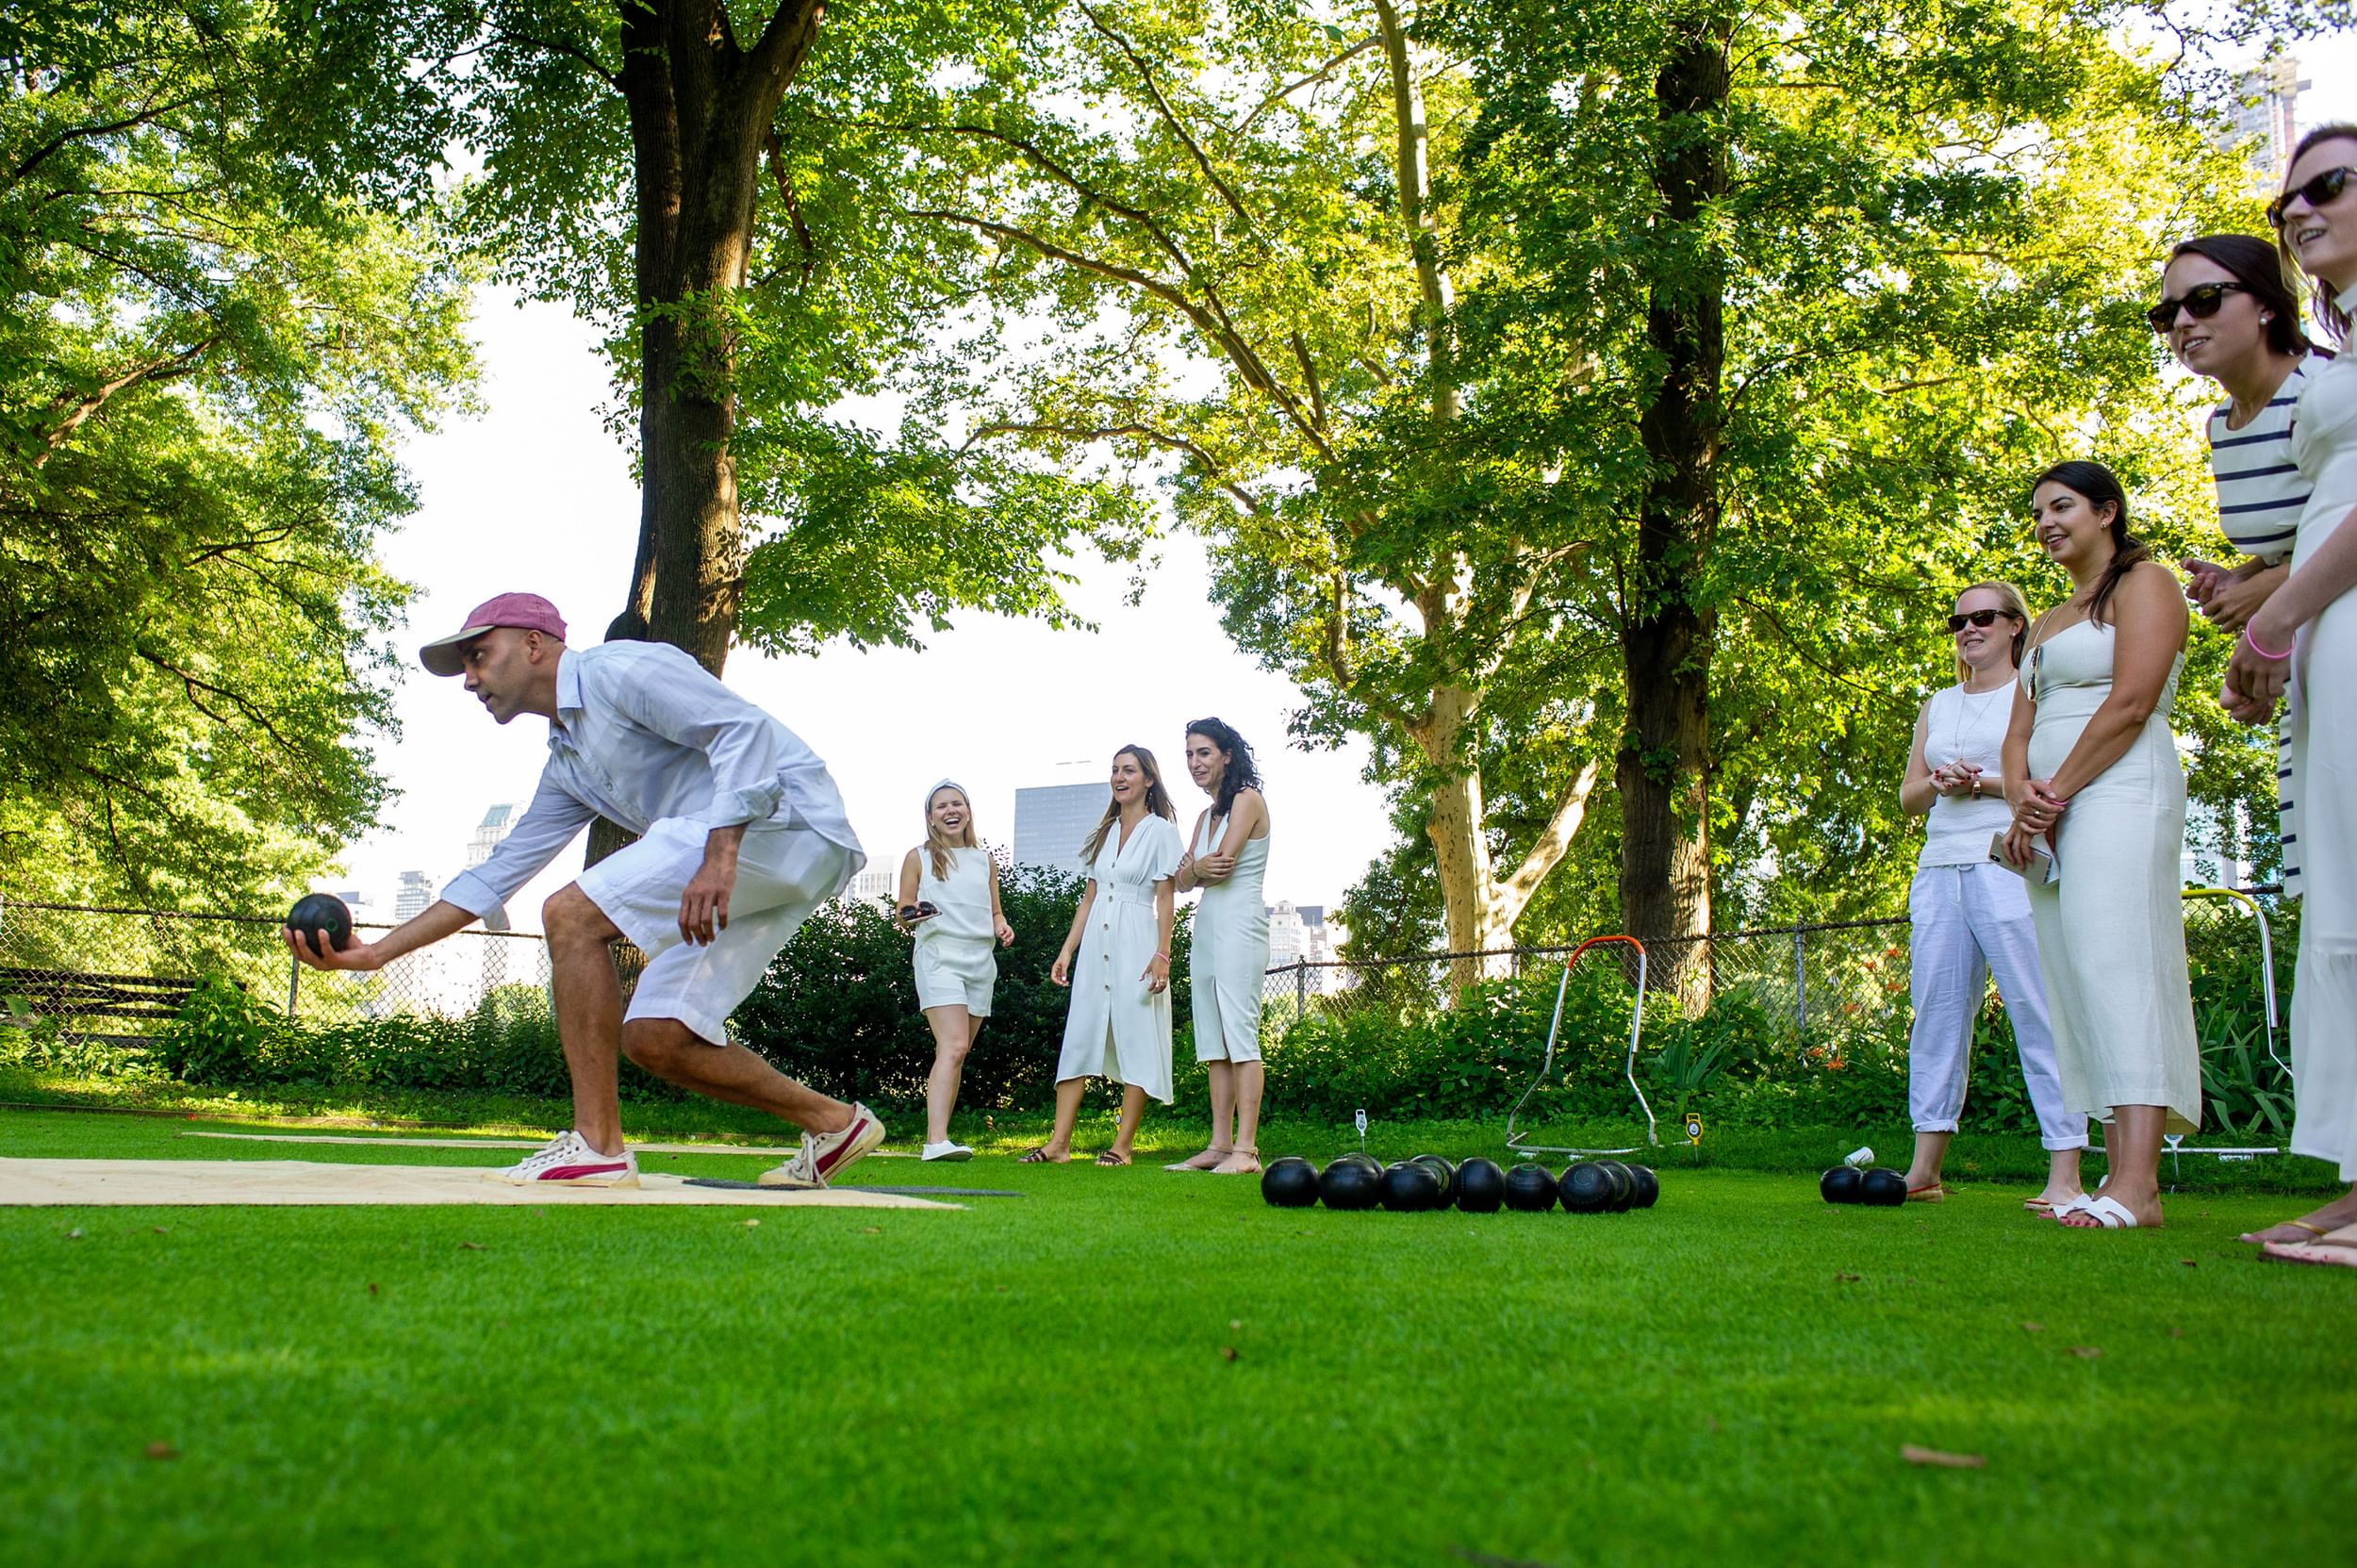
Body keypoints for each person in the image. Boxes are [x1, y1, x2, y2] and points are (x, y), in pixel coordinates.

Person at [284, 593, 885, 1188]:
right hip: (769, 854)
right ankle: (834, 1123)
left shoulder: (618, 669)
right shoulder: (568, 763)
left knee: (569, 915)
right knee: (657, 1039)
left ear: (534, 644)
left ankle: (597, 1146)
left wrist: (720, 852)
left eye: (478, 655)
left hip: (784, 824)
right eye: (465, 665)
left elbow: (741, 730)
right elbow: (495, 875)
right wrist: (374, 954)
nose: (469, 678)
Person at [2001, 464, 2200, 1230]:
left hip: (2121, 788)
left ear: (2107, 511)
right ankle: (2112, 1174)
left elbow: (2132, 700)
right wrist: (2024, 801)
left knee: (2119, 962)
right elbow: (2019, 728)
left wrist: (2053, 795)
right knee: (2075, 975)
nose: (2047, 522)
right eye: (2038, 512)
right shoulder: (2047, 620)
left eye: (2062, 507)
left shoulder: (2145, 585)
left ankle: (2140, 1185)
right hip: (2048, 814)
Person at [2226, 126, 2357, 1263]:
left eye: (2331, 185)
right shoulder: (2344, 341)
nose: (2301, 209)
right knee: (2347, 883)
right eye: (2289, 199)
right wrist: (2280, 605)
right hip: (2332, 619)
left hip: (2342, 609)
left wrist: (2271, 617)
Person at [1897, 584, 2086, 1210]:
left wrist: (1978, 783)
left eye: (1982, 617)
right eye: (1959, 619)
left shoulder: (2030, 693)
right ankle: (1924, 1170)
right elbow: (1909, 796)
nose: (1968, 628)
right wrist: (1939, 782)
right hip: (1939, 868)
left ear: (2014, 626)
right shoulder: (1939, 703)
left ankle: (2066, 1171)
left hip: (2007, 862)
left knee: (2038, 1008)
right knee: (1937, 1015)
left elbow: (2046, 779)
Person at [1025, 747, 1183, 1165]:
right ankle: (1058, 1145)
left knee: (1136, 1036)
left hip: (1137, 940)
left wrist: (1162, 953)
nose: (1119, 777)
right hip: (1097, 945)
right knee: (1079, 1035)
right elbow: (1089, 898)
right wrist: (1067, 950)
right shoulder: (1104, 833)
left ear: (1148, 779)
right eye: (1114, 770)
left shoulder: (1161, 832)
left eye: (1129, 770)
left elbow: (1165, 898)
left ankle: (1122, 1146)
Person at [1166, 719, 1273, 1176]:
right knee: (1214, 1043)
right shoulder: (1204, 817)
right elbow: (1181, 880)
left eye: (1204, 753)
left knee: (1240, 1038)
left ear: (1227, 755)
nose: (1195, 763)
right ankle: (1219, 1145)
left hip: (1240, 927)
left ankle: (1246, 1152)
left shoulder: (1248, 800)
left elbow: (1221, 868)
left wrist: (1197, 869)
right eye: (1190, 755)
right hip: (1207, 929)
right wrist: (1194, 870)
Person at [899, 781, 1014, 1163]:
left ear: (967, 809)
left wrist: (1001, 925)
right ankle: (936, 1141)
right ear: (930, 817)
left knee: (955, 1054)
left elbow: (994, 909)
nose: (950, 811)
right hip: (939, 958)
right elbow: (903, 912)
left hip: (980, 962)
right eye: (941, 806)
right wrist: (917, 913)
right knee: (954, 1046)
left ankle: (939, 1139)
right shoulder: (918, 857)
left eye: (957, 804)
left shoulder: (984, 860)